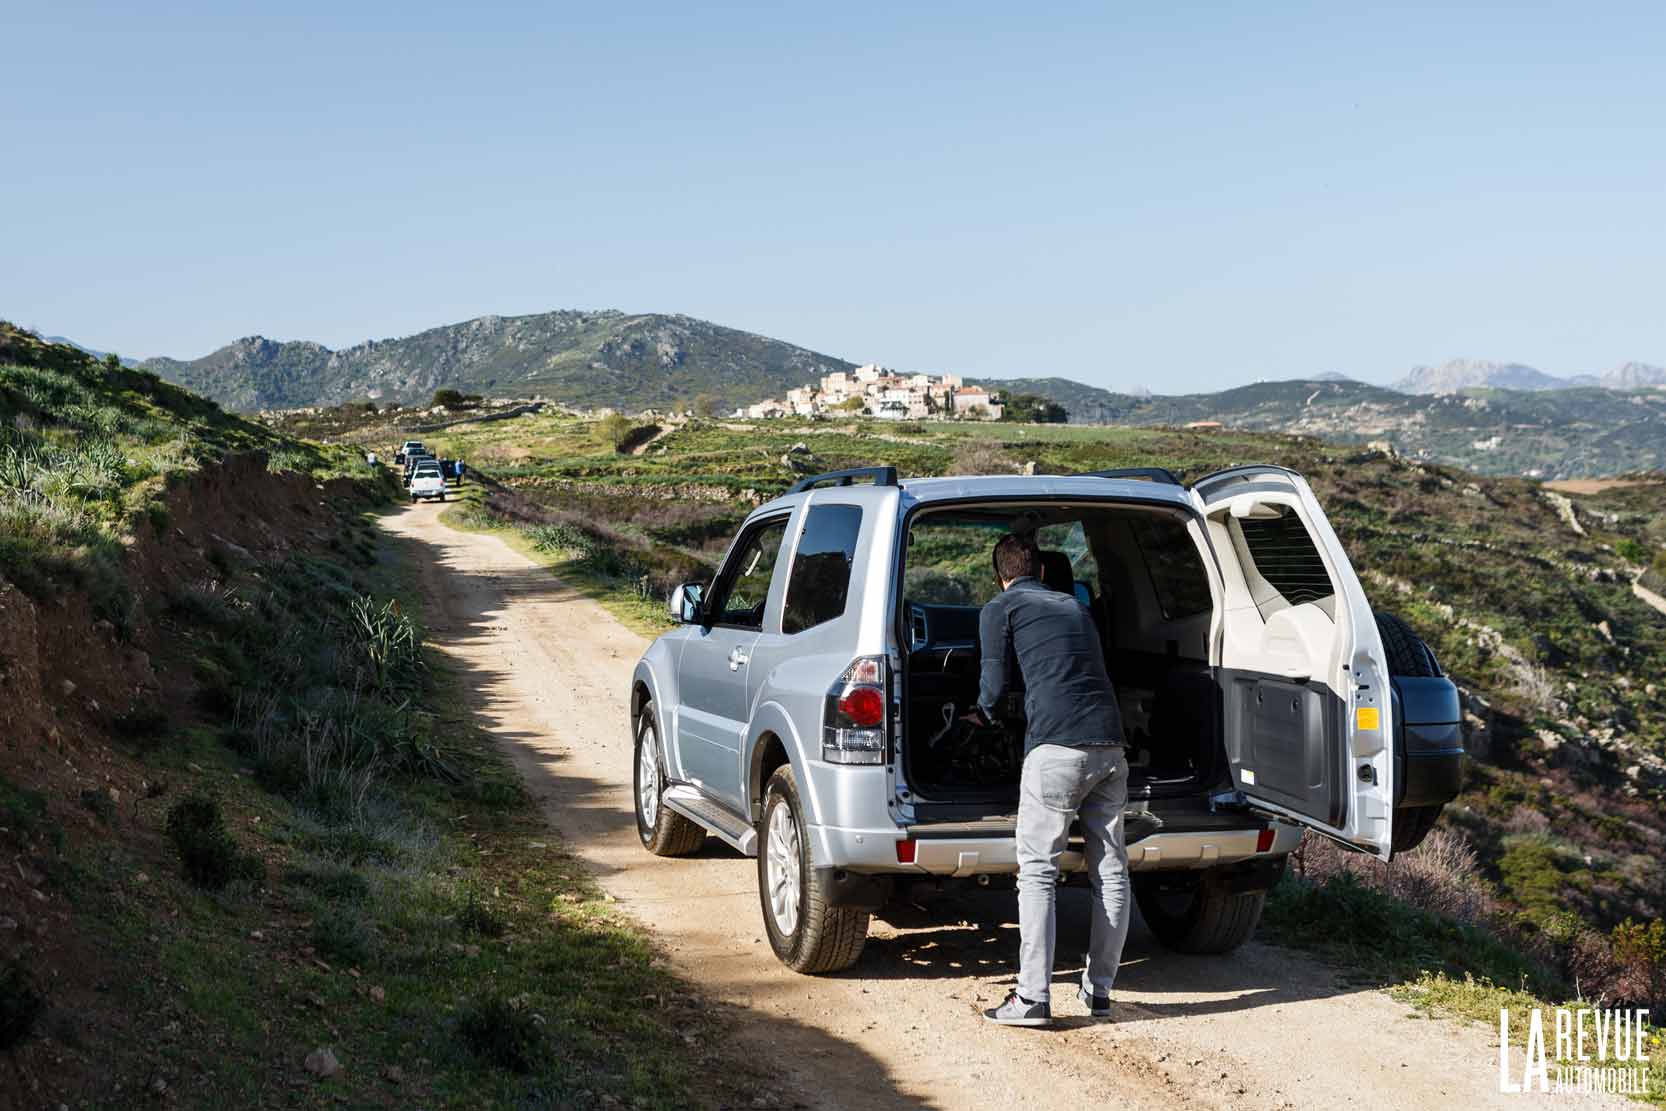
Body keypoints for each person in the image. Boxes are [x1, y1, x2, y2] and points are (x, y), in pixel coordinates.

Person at [968, 532, 1129, 1027]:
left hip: (1056, 748)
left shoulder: (1000, 608)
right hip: (1111, 746)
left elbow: (994, 685)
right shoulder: (1076, 609)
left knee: (1038, 868)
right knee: (1111, 869)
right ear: (1039, 571)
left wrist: (982, 717)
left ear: (1001, 575)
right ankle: (1099, 991)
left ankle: (1032, 997)